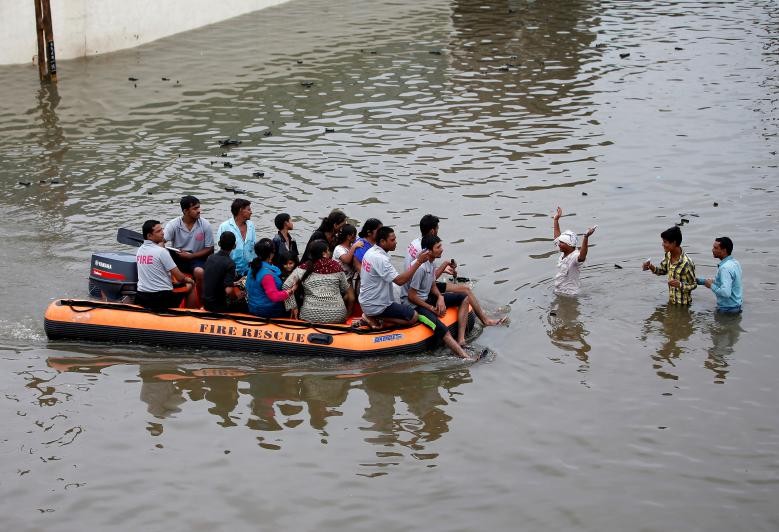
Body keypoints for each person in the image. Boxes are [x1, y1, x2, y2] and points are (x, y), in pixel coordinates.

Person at [404, 213, 505, 327]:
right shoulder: (425, 250)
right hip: (418, 288)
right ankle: (486, 320)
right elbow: (429, 280)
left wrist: (442, 268)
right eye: (437, 229)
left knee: (461, 289)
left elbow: (423, 271)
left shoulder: (416, 242)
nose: (438, 231)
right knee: (465, 290)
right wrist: (442, 268)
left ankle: (482, 313)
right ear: (432, 231)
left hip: (415, 283)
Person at [404, 234, 471, 358]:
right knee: (442, 328)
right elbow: (411, 296)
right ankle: (465, 357)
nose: (442, 249)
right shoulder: (420, 268)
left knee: (464, 297)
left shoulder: (431, 262)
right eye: (438, 247)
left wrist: (440, 297)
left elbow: (432, 284)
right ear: (429, 251)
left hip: (426, 298)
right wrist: (430, 308)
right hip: (416, 305)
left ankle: (461, 340)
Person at [358, 226, 431, 329]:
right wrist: (418, 262)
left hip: (367, 301)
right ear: (382, 242)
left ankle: (373, 316)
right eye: (392, 240)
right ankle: (375, 318)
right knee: (413, 317)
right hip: (376, 306)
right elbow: (400, 281)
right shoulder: (380, 259)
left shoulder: (371, 252)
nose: (396, 242)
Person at [282, 240, 354, 323]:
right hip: (337, 315)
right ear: (324, 253)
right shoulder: (336, 266)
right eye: (328, 250)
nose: (329, 253)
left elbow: (286, 286)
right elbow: (344, 288)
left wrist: (293, 306)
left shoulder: (303, 267)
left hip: (310, 315)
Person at [135, 219, 197, 310]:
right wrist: (191, 280)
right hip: (162, 297)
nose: (163, 233)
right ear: (149, 236)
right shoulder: (161, 252)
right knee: (190, 285)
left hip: (142, 295)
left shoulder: (139, 251)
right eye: (158, 231)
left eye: (162, 229)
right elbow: (180, 278)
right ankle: (189, 315)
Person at [164, 195, 214, 300]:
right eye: (195, 208)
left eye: (199, 207)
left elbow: (209, 249)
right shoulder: (173, 225)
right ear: (186, 211)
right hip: (178, 257)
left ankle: (204, 300)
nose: (199, 211)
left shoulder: (205, 224)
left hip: (197, 258)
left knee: (199, 272)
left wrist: (191, 256)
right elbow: (161, 242)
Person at [643, 225, 697, 305]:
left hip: (683, 305)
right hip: (671, 302)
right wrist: (650, 266)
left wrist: (680, 285)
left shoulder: (686, 263)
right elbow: (662, 271)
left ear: (674, 243)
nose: (662, 244)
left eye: (665, 242)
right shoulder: (668, 255)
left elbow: (694, 284)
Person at [245, 239, 297, 318]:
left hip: (252, 306)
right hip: (268, 311)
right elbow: (274, 296)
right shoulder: (267, 275)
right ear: (271, 254)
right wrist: (291, 290)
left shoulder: (253, 267)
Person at [552, 206, 596, 295]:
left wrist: (586, 237)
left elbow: (583, 255)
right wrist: (556, 220)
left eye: (562, 243)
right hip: (559, 292)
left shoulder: (575, 256)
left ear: (569, 245)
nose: (558, 244)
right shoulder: (563, 252)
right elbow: (557, 238)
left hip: (570, 295)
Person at [696, 236, 742, 313]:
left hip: (727, 309)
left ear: (724, 250)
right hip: (736, 306)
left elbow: (726, 293)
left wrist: (711, 286)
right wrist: (701, 281)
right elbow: (726, 282)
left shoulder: (725, 268)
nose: (712, 250)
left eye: (715, 248)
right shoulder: (735, 263)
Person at [202, 232, 245, 313]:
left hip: (206, 302)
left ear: (219, 243)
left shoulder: (210, 258)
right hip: (218, 306)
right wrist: (236, 297)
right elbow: (228, 291)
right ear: (234, 246)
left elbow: (215, 279)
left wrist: (234, 283)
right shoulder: (230, 263)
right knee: (244, 303)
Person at [215, 198, 256, 277]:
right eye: (248, 210)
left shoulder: (251, 225)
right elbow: (220, 249)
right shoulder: (225, 226)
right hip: (231, 270)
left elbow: (253, 248)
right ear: (241, 210)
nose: (251, 212)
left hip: (248, 270)